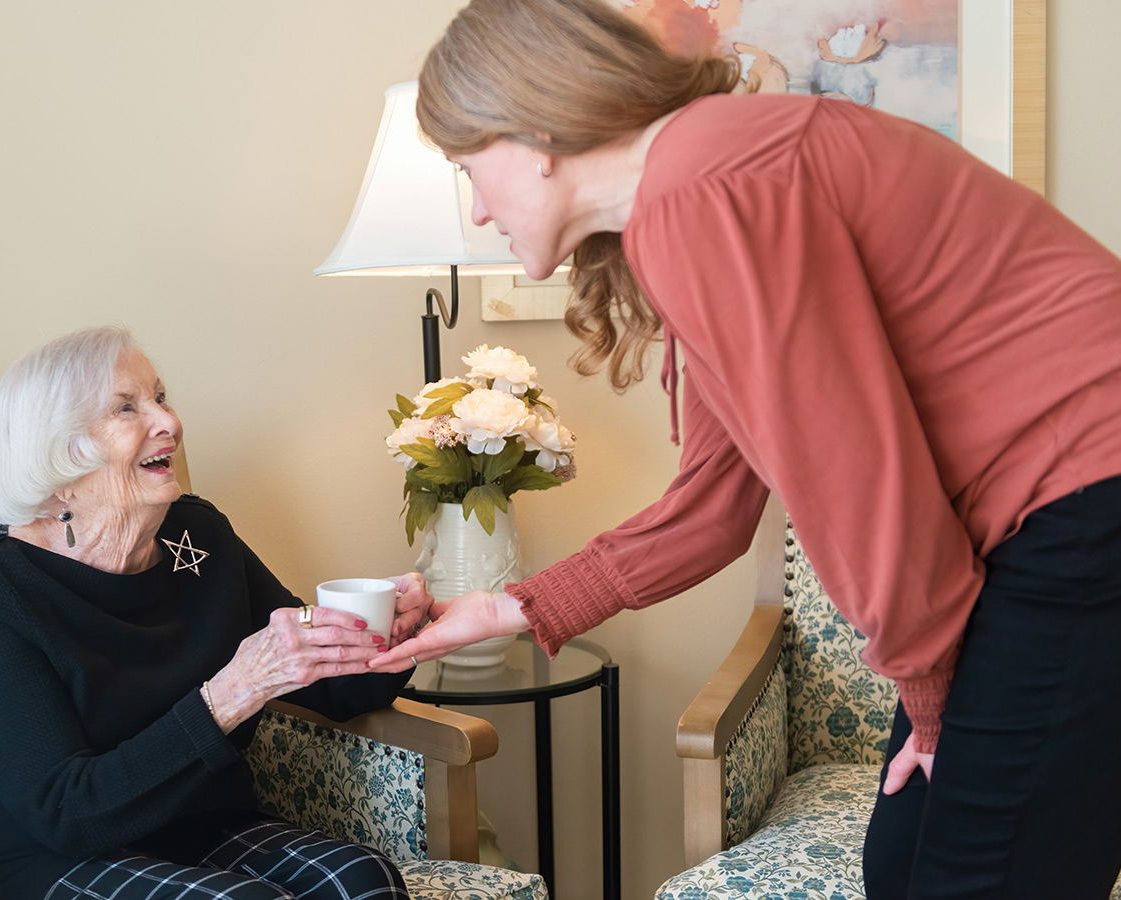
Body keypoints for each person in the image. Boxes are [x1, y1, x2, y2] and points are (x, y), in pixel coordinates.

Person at [370, 1, 1121, 897]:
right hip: (1057, 514)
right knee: (904, 860)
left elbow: (858, 481)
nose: (480, 213)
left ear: (533, 130)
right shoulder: (699, 180)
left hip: (1086, 499)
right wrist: (504, 610)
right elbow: (716, 507)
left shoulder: (705, 185)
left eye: (468, 168)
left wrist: (930, 694)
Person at [0, 326, 426, 900]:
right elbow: (65, 811)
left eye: (160, 397)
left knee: (362, 879)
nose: (169, 422)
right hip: (34, 857)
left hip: (195, 828)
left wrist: (398, 630)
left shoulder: (200, 532)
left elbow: (333, 692)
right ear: (59, 453)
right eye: (126, 407)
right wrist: (233, 692)